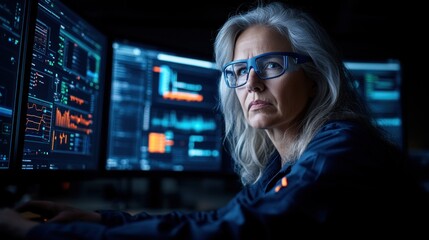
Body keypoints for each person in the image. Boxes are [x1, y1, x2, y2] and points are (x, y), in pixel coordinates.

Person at [0, 1, 427, 239]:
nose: (252, 83)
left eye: (271, 65)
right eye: (239, 72)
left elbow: (237, 235)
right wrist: (98, 219)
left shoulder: (342, 149)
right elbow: (217, 221)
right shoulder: (285, 164)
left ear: (313, 76)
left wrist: (35, 237)